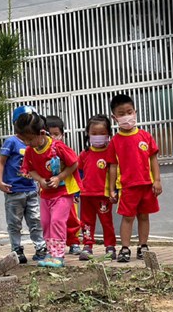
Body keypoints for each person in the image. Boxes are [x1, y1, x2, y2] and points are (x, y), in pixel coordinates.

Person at [16, 110, 78, 268]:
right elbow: (29, 169)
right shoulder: (30, 151)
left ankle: (58, 256)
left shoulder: (58, 147)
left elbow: (74, 163)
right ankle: (51, 253)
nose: (27, 143)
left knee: (57, 221)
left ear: (42, 133)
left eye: (30, 139)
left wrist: (59, 178)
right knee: (45, 222)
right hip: (46, 194)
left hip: (64, 192)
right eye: (24, 140)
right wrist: (40, 180)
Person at [107, 93, 162, 263]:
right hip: (127, 187)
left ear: (135, 112)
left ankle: (143, 245)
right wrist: (111, 189)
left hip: (146, 185)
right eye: (121, 114)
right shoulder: (115, 141)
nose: (126, 117)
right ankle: (125, 248)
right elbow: (113, 166)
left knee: (144, 216)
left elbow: (153, 159)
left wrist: (157, 180)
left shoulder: (146, 136)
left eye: (129, 112)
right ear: (114, 117)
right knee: (128, 217)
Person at [0, 106, 47, 264]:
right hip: (14, 190)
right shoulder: (11, 142)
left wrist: (39, 181)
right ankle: (17, 249)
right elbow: (1, 161)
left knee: (35, 220)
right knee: (14, 223)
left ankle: (40, 247)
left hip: (30, 189)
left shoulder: (34, 142)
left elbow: (38, 164)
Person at [77, 114, 117, 260]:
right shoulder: (84, 154)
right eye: (94, 133)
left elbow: (115, 173)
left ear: (108, 134)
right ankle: (87, 246)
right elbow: (78, 173)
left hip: (103, 196)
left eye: (102, 133)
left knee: (106, 222)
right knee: (86, 223)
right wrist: (77, 191)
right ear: (88, 133)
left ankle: (110, 247)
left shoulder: (111, 153)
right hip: (86, 195)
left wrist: (115, 190)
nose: (98, 136)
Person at [46, 116, 83, 256]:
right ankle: (54, 245)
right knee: (52, 219)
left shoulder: (65, 149)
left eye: (56, 134)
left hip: (67, 190)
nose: (53, 137)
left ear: (63, 134)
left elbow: (75, 167)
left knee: (72, 217)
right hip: (50, 191)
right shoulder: (42, 152)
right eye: (50, 134)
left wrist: (77, 192)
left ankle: (74, 242)